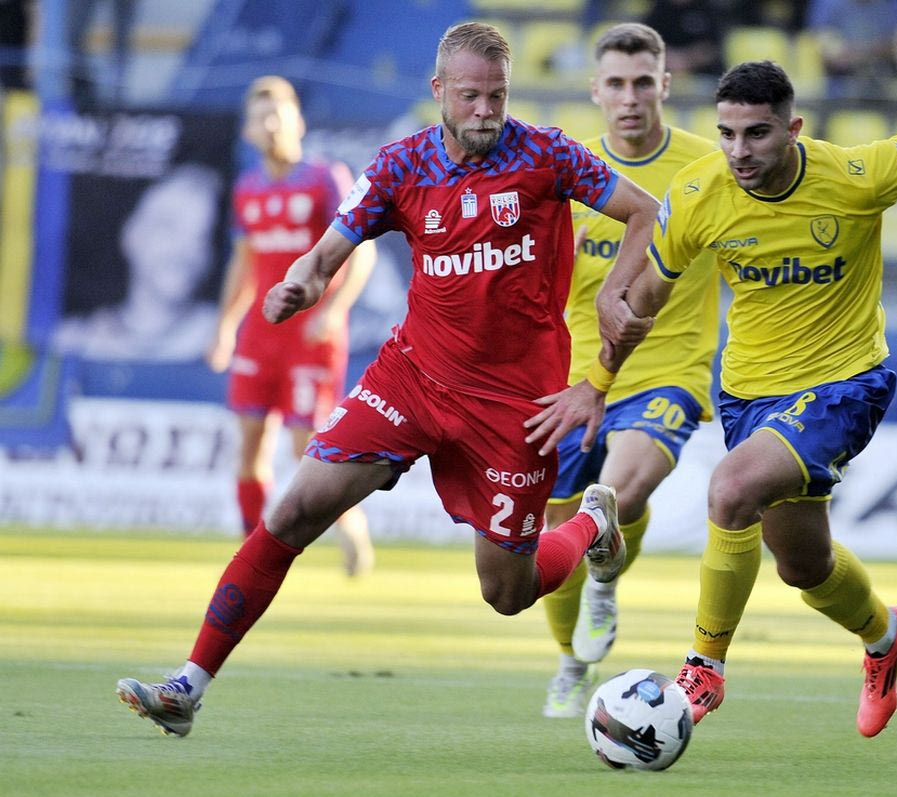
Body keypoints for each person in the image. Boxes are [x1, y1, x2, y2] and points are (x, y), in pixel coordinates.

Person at [114, 21, 661, 737]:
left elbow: (645, 211)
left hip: (514, 405)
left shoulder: (547, 154)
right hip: (412, 380)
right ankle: (188, 686)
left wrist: (612, 293)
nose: (485, 111)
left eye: (497, 96)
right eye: (469, 96)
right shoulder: (401, 165)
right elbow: (327, 251)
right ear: (439, 90)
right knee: (292, 512)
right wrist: (303, 284)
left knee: (507, 592)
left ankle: (591, 523)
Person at [526, 60, 897, 737]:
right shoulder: (699, 192)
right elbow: (644, 301)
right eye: (727, 134)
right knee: (803, 564)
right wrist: (597, 384)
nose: (739, 151)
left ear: (793, 129)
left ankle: (703, 667)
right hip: (749, 397)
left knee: (731, 489)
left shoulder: (855, 175)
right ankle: (886, 635)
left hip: (844, 383)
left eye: (757, 134)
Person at [539, 22, 721, 718]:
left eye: (643, 82)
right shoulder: (571, 173)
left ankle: (605, 580)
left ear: (665, 86)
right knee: (551, 542)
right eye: (615, 83)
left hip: (668, 370)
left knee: (616, 493)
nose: (630, 97)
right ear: (595, 90)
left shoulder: (709, 169)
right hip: (573, 381)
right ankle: (569, 660)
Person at [206, 76, 377, 575]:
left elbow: (361, 253)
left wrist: (333, 309)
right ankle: (250, 555)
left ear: (298, 122)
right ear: (247, 131)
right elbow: (244, 264)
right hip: (260, 336)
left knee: (309, 450)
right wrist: (225, 326)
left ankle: (350, 526)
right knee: (250, 444)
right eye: (260, 118)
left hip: (310, 336)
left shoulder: (325, 178)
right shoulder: (248, 188)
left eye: (277, 115)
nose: (269, 126)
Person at [52, 162, 223, 362]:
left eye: (202, 237)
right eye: (170, 228)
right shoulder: (76, 340)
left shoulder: (222, 336)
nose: (186, 251)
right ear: (131, 233)